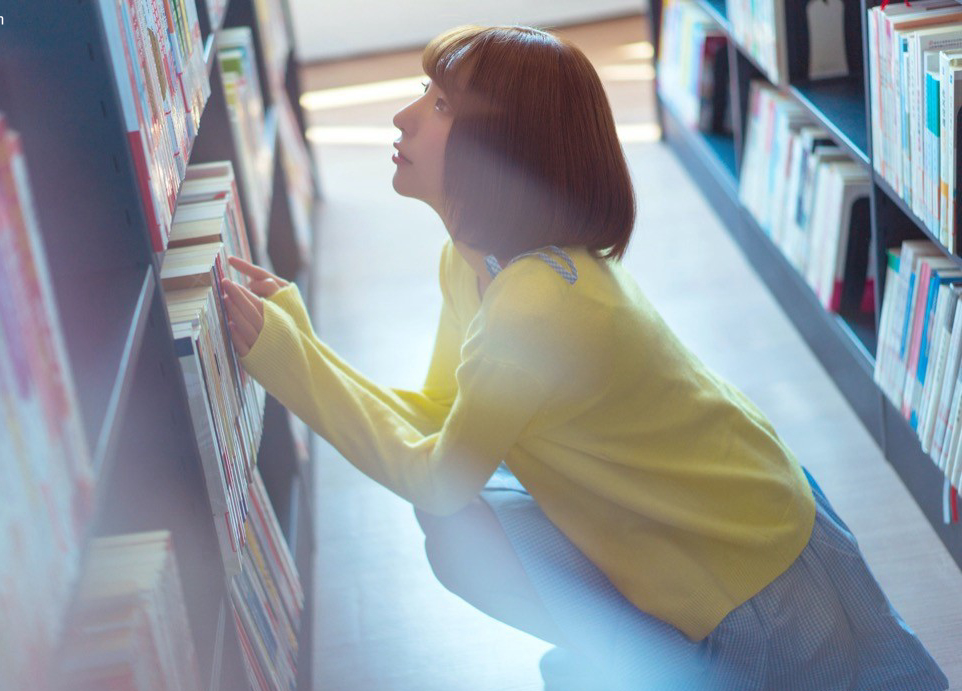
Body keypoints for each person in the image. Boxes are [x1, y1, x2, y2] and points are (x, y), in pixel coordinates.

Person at [218, 25, 949, 691]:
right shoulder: (472, 260)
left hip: (762, 575)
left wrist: (290, 366)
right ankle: (638, 653)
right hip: (711, 528)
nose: (404, 116)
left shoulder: (535, 305)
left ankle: (648, 660)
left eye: (441, 106)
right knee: (462, 531)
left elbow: (440, 477)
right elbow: (440, 418)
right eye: (422, 94)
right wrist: (301, 344)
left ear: (506, 155)